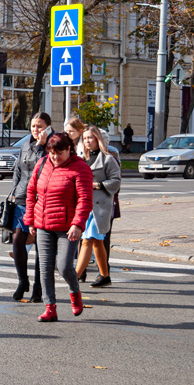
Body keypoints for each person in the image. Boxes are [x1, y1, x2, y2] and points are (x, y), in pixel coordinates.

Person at [24, 132, 93, 322]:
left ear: (69, 149)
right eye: (52, 152)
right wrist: (30, 219)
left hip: (67, 227)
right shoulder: (42, 164)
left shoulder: (80, 169)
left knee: (63, 266)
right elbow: (31, 192)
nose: (55, 157)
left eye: (59, 152)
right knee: (45, 268)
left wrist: (78, 224)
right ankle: (50, 307)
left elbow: (85, 200)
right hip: (43, 225)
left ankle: (74, 291)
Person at [8, 112, 53, 302]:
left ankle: (38, 287)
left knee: (39, 245)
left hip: (42, 200)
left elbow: (48, 166)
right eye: (33, 126)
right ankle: (22, 281)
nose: (36, 130)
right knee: (18, 241)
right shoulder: (26, 144)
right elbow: (18, 168)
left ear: (48, 127)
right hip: (22, 199)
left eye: (40, 126)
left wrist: (41, 145)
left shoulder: (51, 143)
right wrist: (15, 190)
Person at [75, 125, 121, 288]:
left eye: (90, 138)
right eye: (85, 138)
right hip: (85, 206)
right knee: (96, 242)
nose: (87, 141)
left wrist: (98, 185)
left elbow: (116, 182)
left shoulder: (108, 158)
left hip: (101, 207)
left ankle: (74, 276)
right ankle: (105, 275)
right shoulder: (82, 159)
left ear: (98, 139)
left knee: (87, 240)